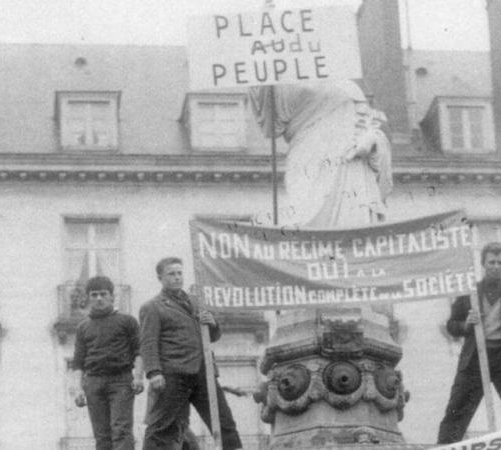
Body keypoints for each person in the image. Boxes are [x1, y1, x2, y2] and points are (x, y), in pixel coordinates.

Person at [249, 81, 392, 228]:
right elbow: (270, 123)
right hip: (308, 159)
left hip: (352, 164)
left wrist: (372, 140)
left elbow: (373, 128)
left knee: (352, 228)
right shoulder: (285, 78)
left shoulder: (349, 84)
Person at [437, 242, 501, 444]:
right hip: (474, 359)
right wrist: (466, 325)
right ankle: (444, 447)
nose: (496, 266)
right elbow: (451, 325)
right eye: (491, 262)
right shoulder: (469, 293)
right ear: (483, 263)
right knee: (457, 408)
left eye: (500, 263)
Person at [140, 257, 242, 450]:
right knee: (163, 426)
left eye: (179, 273)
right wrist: (154, 372)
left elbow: (212, 336)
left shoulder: (196, 302)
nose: (177, 278)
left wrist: (212, 323)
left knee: (223, 421)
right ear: (160, 277)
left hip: (204, 372)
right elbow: (148, 342)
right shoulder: (152, 307)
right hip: (173, 374)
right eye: (171, 274)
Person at [71, 276, 145, 450]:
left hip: (120, 381)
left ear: (112, 296)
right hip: (93, 383)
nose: (99, 298)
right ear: (88, 298)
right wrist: (78, 388)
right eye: (94, 295)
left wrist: (139, 377)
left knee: (121, 430)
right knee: (101, 435)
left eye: (103, 294)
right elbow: (78, 362)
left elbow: (140, 351)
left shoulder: (127, 321)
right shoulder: (83, 327)